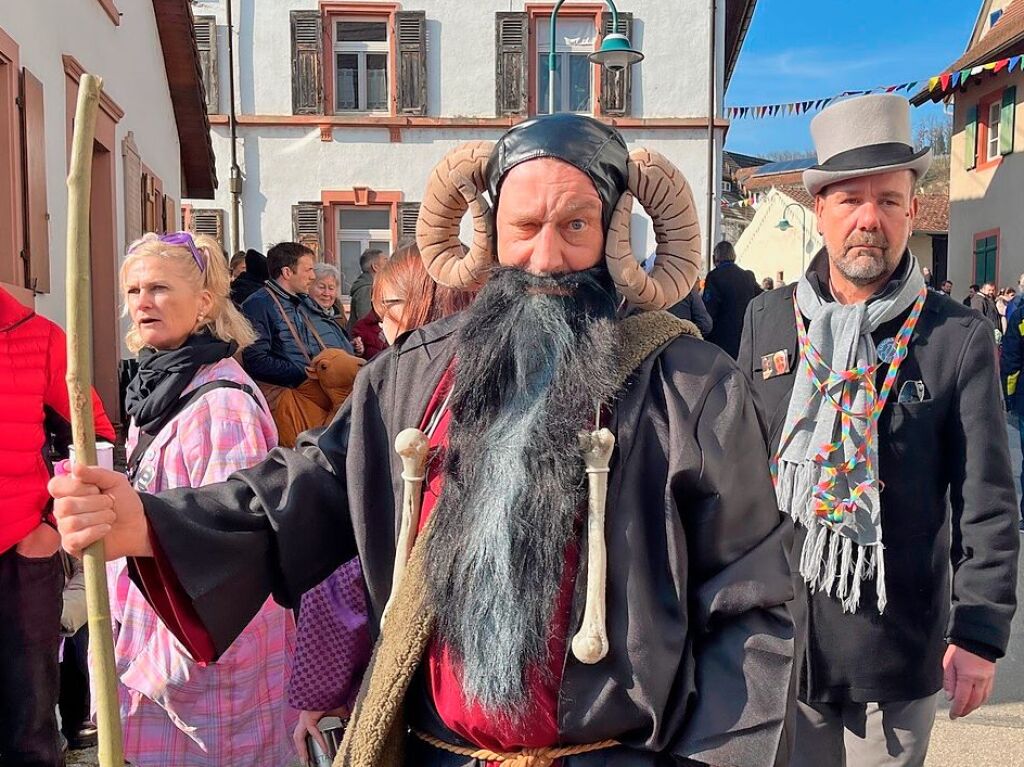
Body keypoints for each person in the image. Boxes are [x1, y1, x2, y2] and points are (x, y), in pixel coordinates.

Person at [52, 114, 795, 767]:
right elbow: (313, 481)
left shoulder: (694, 386)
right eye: (525, 227)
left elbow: (751, 605)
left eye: (575, 225)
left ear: (610, 235)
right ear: (491, 234)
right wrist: (150, 522)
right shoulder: (418, 373)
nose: (545, 256)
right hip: (441, 754)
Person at [738, 94, 1018, 767]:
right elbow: (736, 476)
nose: (871, 219)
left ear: (912, 210)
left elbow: (987, 500)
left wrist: (980, 629)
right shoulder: (767, 321)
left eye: (889, 201)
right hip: (783, 644)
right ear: (820, 211)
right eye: (851, 200)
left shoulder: (957, 336)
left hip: (896, 647)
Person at [107, 231, 297, 765]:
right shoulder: (163, 387)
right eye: (132, 291)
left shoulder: (221, 404)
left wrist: (157, 668)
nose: (141, 303)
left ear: (205, 303)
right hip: (157, 628)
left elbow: (230, 556)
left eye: (159, 288)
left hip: (202, 651)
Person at [290, 241, 474, 762]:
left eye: (388, 307)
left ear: (425, 303)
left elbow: (349, 572)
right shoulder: (396, 379)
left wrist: (320, 695)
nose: (378, 321)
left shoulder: (406, 382)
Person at [0, 284, 115, 767]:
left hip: (19, 556)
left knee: (28, 725)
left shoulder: (39, 337)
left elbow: (97, 439)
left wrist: (49, 526)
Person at [240, 242, 350, 388]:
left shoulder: (300, 301)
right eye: (309, 270)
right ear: (287, 273)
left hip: (309, 389)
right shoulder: (258, 304)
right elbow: (256, 360)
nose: (313, 276)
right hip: (287, 396)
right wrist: (306, 371)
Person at [703, 240, 762, 358]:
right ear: (734, 256)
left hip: (721, 341)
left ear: (715, 258)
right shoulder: (748, 276)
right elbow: (760, 299)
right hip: (746, 337)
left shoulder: (714, 277)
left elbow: (709, 310)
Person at [303, 262, 356, 356]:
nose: (326, 293)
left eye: (331, 288)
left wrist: (352, 347)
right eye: (321, 287)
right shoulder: (302, 315)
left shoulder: (337, 314)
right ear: (308, 287)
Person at [347, 248, 385, 333]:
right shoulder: (366, 289)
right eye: (385, 260)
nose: (389, 265)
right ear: (375, 266)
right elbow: (366, 323)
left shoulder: (373, 287)